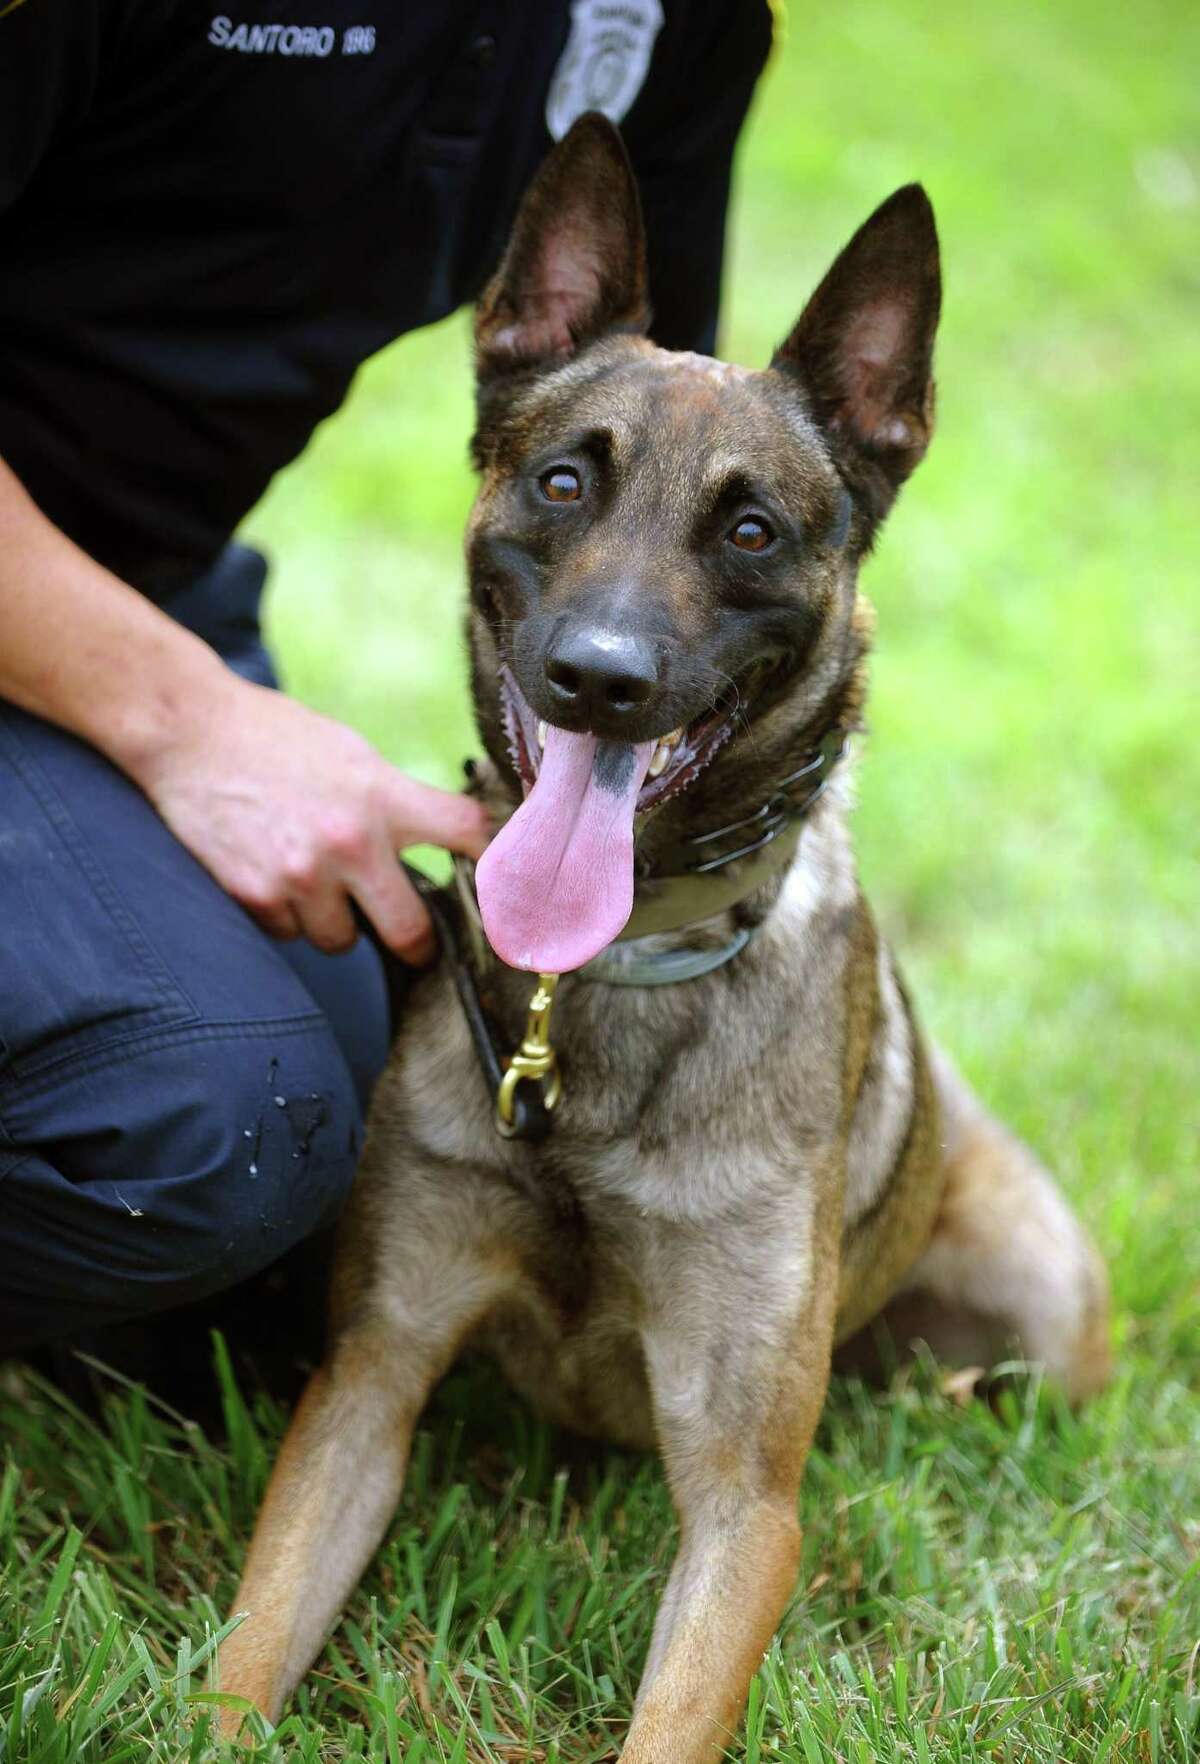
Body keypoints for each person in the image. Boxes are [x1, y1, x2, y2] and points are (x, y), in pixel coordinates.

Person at [0, 0, 773, 1355]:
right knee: (210, 1131)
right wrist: (187, 725)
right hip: (109, 628)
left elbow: (664, 445)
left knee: (360, 1159)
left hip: (128, 576)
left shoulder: (681, 21)